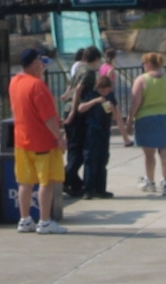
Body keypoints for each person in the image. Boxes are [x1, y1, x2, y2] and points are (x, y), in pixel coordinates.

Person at [9, 48, 67, 234]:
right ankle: (45, 221)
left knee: (25, 182)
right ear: (34, 63)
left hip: (21, 141)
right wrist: (59, 137)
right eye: (40, 60)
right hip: (42, 143)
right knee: (46, 182)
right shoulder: (37, 86)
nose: (43, 63)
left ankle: (25, 220)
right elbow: (48, 117)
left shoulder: (14, 82)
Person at [129, 52, 166, 195]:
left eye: (143, 63)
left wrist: (129, 120)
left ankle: (150, 181)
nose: (143, 66)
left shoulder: (141, 80)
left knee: (149, 155)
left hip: (146, 119)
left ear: (149, 64)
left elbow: (135, 103)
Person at [60, 46, 102, 198]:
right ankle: (64, 179)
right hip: (77, 111)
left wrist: (66, 98)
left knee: (73, 148)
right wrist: (73, 111)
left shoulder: (79, 68)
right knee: (79, 150)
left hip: (68, 108)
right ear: (96, 59)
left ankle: (75, 182)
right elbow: (78, 89)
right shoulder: (89, 71)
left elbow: (71, 86)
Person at [77, 74, 123, 199]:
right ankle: (88, 189)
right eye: (102, 90)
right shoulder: (92, 95)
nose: (104, 92)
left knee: (102, 159)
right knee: (90, 159)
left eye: (106, 90)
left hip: (104, 130)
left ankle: (100, 189)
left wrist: (112, 109)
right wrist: (95, 101)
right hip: (92, 130)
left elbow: (115, 116)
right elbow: (81, 108)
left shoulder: (110, 97)